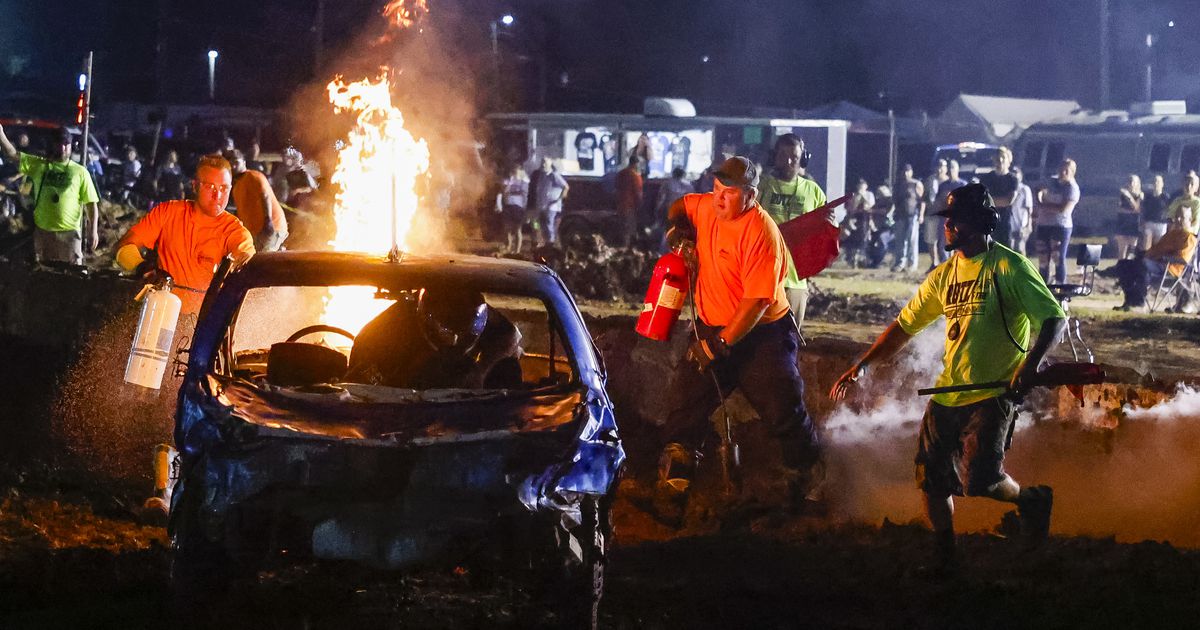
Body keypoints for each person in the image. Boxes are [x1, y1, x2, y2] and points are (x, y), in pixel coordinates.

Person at [830, 183, 1066, 573]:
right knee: (932, 481)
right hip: (948, 393)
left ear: (977, 223)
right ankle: (945, 558)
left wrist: (1028, 367)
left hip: (994, 393)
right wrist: (865, 365)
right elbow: (904, 326)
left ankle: (1032, 500)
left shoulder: (1009, 267)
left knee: (982, 481)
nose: (947, 227)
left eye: (954, 221)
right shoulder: (944, 276)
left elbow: (1054, 320)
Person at [657, 156, 823, 517]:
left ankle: (806, 482)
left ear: (751, 195)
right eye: (716, 189)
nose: (718, 198)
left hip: (763, 334)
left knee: (782, 406)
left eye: (729, 193)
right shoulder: (704, 207)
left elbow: (756, 303)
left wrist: (718, 345)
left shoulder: (761, 232)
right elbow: (679, 205)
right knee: (685, 405)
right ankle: (674, 493)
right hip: (713, 325)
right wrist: (678, 229)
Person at [114, 154, 255, 314]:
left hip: (203, 324)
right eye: (210, 187)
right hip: (159, 313)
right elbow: (123, 247)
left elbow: (248, 262)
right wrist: (143, 268)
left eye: (224, 188)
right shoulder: (168, 213)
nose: (218, 196)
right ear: (194, 186)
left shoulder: (234, 230)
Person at [345, 289, 522, 390]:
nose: (454, 338)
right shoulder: (385, 332)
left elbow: (511, 334)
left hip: (470, 419)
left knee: (508, 368)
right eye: (448, 323)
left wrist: (482, 371)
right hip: (401, 419)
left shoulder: (479, 311)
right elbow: (355, 389)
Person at [0, 124, 99, 265]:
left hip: (69, 234)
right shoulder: (39, 166)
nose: (63, 148)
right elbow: (12, 154)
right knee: (45, 274)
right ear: (53, 145)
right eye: (60, 144)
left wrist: (93, 230)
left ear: (71, 146)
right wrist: (1, 134)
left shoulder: (80, 172)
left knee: (73, 276)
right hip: (44, 232)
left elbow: (91, 204)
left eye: (66, 144)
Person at [758, 134, 829, 328]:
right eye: (783, 156)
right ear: (774, 157)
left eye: (794, 157)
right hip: (764, 281)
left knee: (791, 342)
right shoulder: (762, 187)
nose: (789, 162)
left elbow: (824, 231)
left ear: (803, 159)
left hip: (797, 281)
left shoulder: (813, 191)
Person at [1110, 172, 1200, 312]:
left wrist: (1156, 257)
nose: (1178, 220)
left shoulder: (1188, 238)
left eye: (1183, 218)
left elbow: (1181, 259)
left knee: (1143, 265)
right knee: (1124, 265)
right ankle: (1130, 300)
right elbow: (1157, 248)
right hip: (1157, 263)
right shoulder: (1171, 234)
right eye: (1177, 217)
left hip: (1170, 269)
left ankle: (1139, 303)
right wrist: (1144, 254)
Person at [224, 148, 288, 251]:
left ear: (244, 162)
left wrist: (268, 221)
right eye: (230, 163)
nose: (233, 166)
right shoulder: (237, 186)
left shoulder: (252, 176)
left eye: (236, 161)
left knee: (264, 261)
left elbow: (265, 196)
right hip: (256, 233)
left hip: (270, 229)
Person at [1033, 159, 1080, 284]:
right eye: (1061, 169)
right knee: (1043, 258)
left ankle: (1060, 288)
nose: (1063, 173)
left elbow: (1063, 209)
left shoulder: (1072, 188)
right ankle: (1043, 287)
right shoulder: (1051, 181)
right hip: (1043, 224)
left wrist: (1043, 205)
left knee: (1058, 257)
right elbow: (1038, 188)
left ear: (1072, 172)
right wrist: (1039, 198)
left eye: (1066, 170)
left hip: (1060, 226)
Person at [977, 147, 1019, 249]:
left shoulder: (1012, 180)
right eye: (997, 158)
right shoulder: (986, 179)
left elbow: (1008, 201)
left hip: (1005, 222)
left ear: (1009, 160)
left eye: (1003, 158)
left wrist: (990, 201)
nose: (1000, 161)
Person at [527, 157, 568, 247]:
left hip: (551, 205)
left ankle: (550, 243)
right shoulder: (540, 175)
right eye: (542, 162)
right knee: (537, 223)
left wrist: (559, 199)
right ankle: (538, 240)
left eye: (545, 163)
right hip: (540, 204)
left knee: (549, 224)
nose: (543, 164)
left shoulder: (553, 175)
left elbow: (565, 186)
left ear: (549, 165)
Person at [891, 164, 925, 272]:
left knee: (912, 240)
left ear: (911, 172)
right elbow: (894, 201)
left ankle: (912, 264)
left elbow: (922, 200)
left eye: (908, 171)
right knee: (900, 240)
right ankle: (899, 263)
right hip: (900, 215)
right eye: (904, 171)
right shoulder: (898, 185)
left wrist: (921, 215)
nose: (906, 173)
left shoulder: (916, 184)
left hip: (912, 215)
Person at [495, 164, 529, 253]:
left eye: (517, 170)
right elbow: (502, 191)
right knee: (507, 229)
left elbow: (525, 193)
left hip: (519, 207)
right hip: (508, 206)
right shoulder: (508, 180)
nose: (515, 171)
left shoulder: (524, 180)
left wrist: (526, 209)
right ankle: (508, 247)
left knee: (517, 229)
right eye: (513, 170)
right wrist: (499, 204)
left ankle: (517, 251)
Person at [843, 178, 876, 268]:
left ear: (866, 186)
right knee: (852, 239)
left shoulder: (869, 194)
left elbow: (870, 205)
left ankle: (862, 259)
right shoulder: (853, 196)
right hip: (855, 219)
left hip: (866, 219)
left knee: (864, 239)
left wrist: (863, 196)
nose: (861, 187)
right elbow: (851, 208)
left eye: (863, 185)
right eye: (859, 185)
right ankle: (852, 259)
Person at [923, 159, 950, 270]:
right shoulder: (930, 180)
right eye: (938, 166)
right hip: (932, 213)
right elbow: (925, 197)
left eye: (942, 166)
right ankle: (934, 263)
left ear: (946, 168)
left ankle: (946, 263)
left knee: (945, 241)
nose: (939, 169)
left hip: (945, 216)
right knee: (931, 239)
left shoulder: (949, 182)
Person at [616, 155, 644, 248]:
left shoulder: (621, 173)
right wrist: (640, 206)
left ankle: (622, 248)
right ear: (636, 164)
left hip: (620, 205)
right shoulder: (636, 176)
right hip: (630, 206)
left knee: (623, 228)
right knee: (629, 230)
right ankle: (626, 249)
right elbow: (638, 194)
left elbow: (616, 187)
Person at [1115, 174, 1144, 260]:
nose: (1131, 183)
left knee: (1131, 252)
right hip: (1122, 223)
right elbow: (1118, 209)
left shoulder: (1140, 195)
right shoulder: (1122, 194)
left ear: (1137, 183)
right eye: (1130, 180)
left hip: (1133, 224)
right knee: (1122, 251)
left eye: (1133, 181)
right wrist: (1130, 211)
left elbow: (1137, 209)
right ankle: (1120, 269)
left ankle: (1128, 270)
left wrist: (1129, 197)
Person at [1141, 174, 1170, 250]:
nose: (1156, 183)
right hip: (1149, 222)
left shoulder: (1166, 197)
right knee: (1147, 241)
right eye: (1155, 181)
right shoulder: (1148, 196)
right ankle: (1145, 259)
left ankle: (1155, 260)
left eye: (1158, 182)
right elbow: (1144, 209)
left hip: (1161, 223)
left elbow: (1169, 210)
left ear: (1162, 184)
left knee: (1158, 245)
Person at [1010, 167, 1034, 256]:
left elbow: (1029, 208)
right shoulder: (1008, 188)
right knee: (1010, 249)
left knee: (1020, 248)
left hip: (1021, 225)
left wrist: (1028, 224)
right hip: (1010, 224)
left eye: (1017, 174)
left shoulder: (1024, 189)